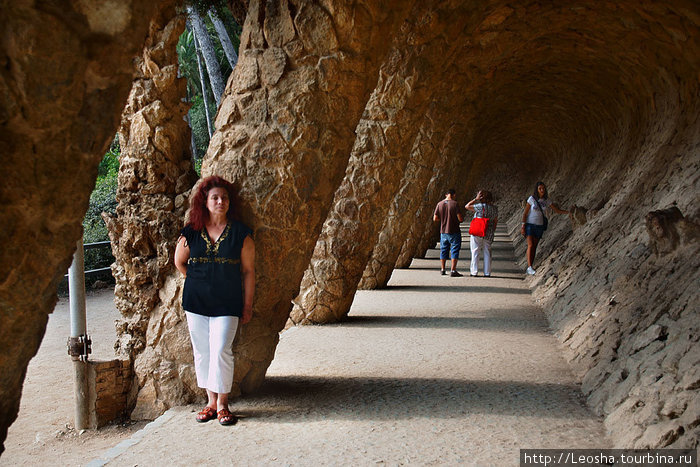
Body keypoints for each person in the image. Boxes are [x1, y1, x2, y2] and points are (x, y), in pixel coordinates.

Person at [174, 175, 255, 426]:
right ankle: (210, 402)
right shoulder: (192, 231)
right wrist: (199, 280)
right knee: (203, 351)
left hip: (228, 302)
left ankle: (223, 404)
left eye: (224, 198)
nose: (220, 201)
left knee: (221, 349)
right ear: (205, 202)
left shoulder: (241, 233)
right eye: (215, 198)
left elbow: (249, 271)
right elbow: (179, 262)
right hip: (195, 302)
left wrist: (248, 305)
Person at [520, 181, 569, 275]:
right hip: (530, 224)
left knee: (534, 246)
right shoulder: (532, 199)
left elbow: (557, 210)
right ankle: (529, 267)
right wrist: (523, 226)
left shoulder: (546, 200)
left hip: (540, 226)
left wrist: (568, 212)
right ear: (537, 190)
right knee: (530, 244)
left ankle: (531, 266)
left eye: (543, 188)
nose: (542, 190)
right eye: (540, 189)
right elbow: (525, 213)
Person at [465, 190, 498, 277]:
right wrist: (492, 230)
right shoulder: (495, 208)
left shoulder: (480, 206)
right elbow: (495, 221)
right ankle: (487, 273)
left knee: (475, 251)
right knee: (487, 252)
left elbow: (467, 206)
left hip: (478, 231)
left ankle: (474, 272)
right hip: (489, 232)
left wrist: (475, 199)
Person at [433, 188, 464, 277]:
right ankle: (453, 270)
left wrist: (443, 219)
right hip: (454, 231)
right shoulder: (455, 204)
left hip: (443, 231)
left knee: (443, 250)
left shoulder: (439, 204)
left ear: (446, 195)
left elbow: (435, 218)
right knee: (454, 250)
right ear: (453, 195)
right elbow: (460, 219)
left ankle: (442, 269)